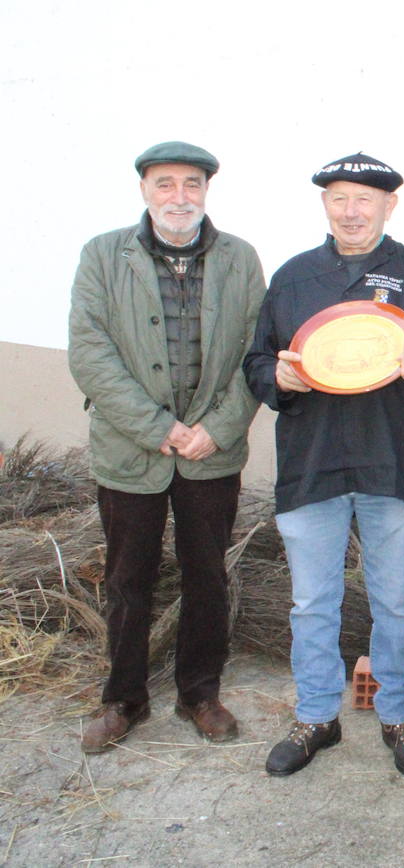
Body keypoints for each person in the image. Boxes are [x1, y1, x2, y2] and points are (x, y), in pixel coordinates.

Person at [243, 152, 404, 779]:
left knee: (391, 599)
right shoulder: (295, 275)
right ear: (324, 205)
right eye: (339, 198)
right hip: (311, 461)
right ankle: (316, 716)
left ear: (390, 205)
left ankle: (399, 716)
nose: (351, 211)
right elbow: (255, 363)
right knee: (313, 603)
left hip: (389, 459)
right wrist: (278, 376)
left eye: (365, 199)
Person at [69, 141, 265, 753]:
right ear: (144, 190)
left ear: (207, 190)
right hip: (134, 452)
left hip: (212, 450)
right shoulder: (104, 255)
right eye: (165, 184)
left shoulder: (240, 258)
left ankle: (198, 693)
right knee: (129, 576)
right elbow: (90, 352)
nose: (179, 196)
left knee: (207, 574)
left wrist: (220, 427)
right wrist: (158, 427)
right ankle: (123, 699)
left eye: (191, 184)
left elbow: (254, 353)